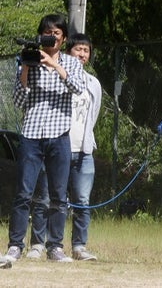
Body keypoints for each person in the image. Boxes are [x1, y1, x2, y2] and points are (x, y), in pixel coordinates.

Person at [5, 14, 86, 264]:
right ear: (40, 35)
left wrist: (54, 65)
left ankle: (55, 247)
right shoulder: (28, 61)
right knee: (24, 193)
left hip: (59, 135)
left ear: (62, 39)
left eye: (56, 33)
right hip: (30, 135)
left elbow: (77, 88)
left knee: (59, 195)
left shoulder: (72, 63)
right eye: (47, 33)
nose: (51, 37)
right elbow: (19, 101)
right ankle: (15, 246)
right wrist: (27, 68)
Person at [25, 34, 102, 261]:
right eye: (78, 49)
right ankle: (39, 244)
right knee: (46, 198)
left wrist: (87, 139)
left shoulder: (93, 83)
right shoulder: (53, 74)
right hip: (56, 145)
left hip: (83, 149)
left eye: (86, 51)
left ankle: (79, 246)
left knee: (82, 201)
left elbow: (93, 113)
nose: (82, 54)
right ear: (68, 51)